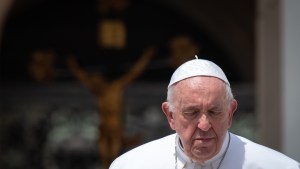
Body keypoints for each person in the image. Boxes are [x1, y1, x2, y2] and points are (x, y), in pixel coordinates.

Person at [109, 57, 300, 169]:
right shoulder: (131, 165)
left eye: (214, 111)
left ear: (230, 113)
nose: (204, 125)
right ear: (170, 116)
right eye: (191, 112)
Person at [66, 47, 155, 169]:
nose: (92, 81)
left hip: (115, 131)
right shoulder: (98, 91)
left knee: (113, 161)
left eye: (95, 78)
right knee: (105, 161)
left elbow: (134, 73)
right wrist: (72, 64)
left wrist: (146, 57)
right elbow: (82, 77)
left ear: (101, 79)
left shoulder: (115, 88)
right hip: (104, 131)